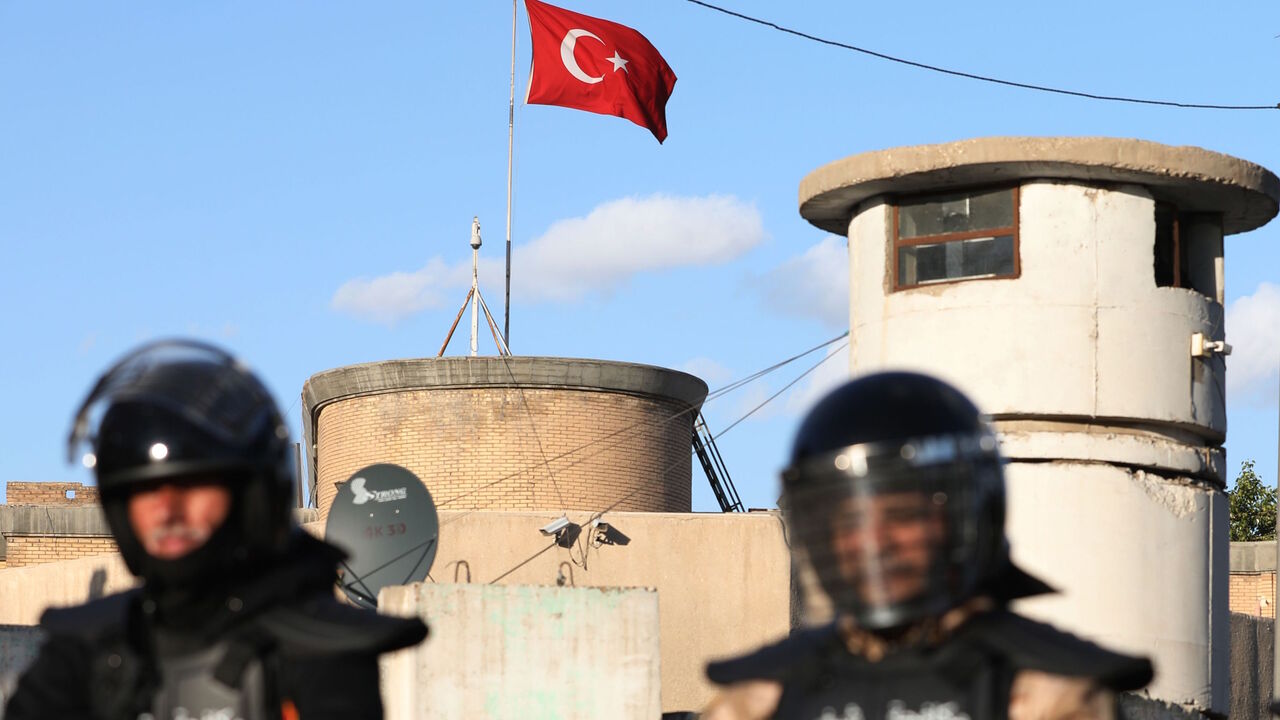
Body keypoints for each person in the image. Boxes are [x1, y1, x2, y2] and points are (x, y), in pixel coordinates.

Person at [5, 339, 427, 720]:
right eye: (145, 490)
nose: (167, 510)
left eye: (192, 484)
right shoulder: (92, 643)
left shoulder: (316, 645)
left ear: (249, 496)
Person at [702, 371, 1153, 720]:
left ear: (962, 520)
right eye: (850, 522)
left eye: (902, 517)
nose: (875, 542)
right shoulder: (761, 698)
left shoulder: (1048, 691)